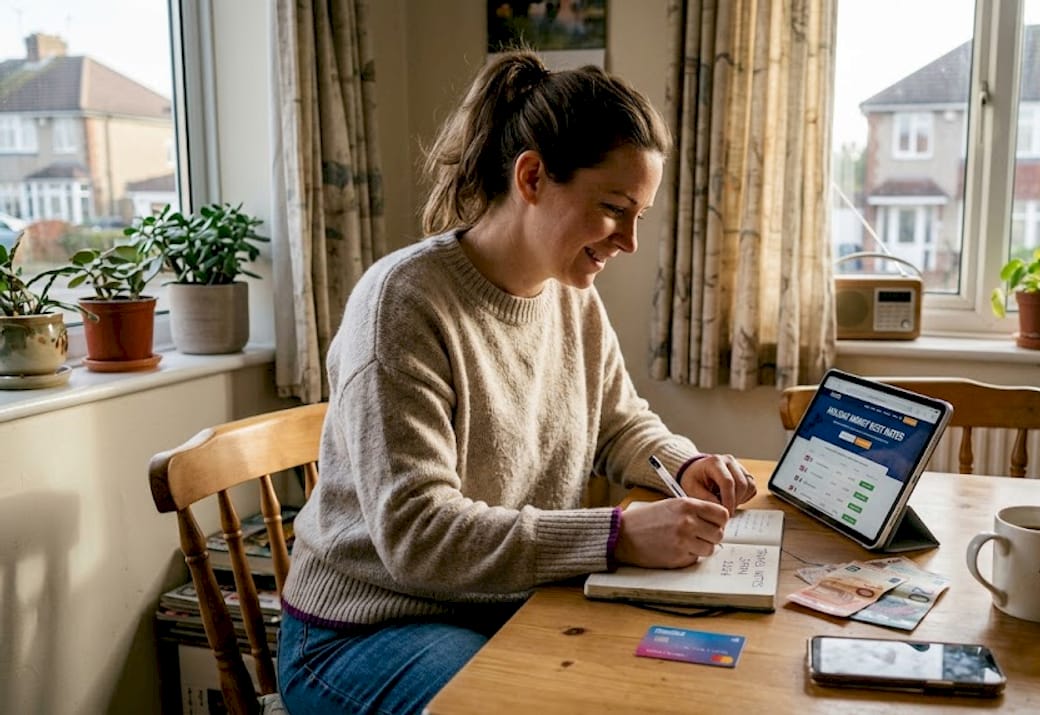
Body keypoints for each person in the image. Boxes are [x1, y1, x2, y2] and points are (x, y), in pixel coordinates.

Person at [277, 49, 757, 715]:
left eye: (639, 214)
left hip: (504, 602)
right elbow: (419, 535)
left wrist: (685, 461)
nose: (630, 241)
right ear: (532, 176)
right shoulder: (402, 303)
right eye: (615, 207)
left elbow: (618, 421)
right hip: (366, 629)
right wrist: (615, 534)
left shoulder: (570, 295)